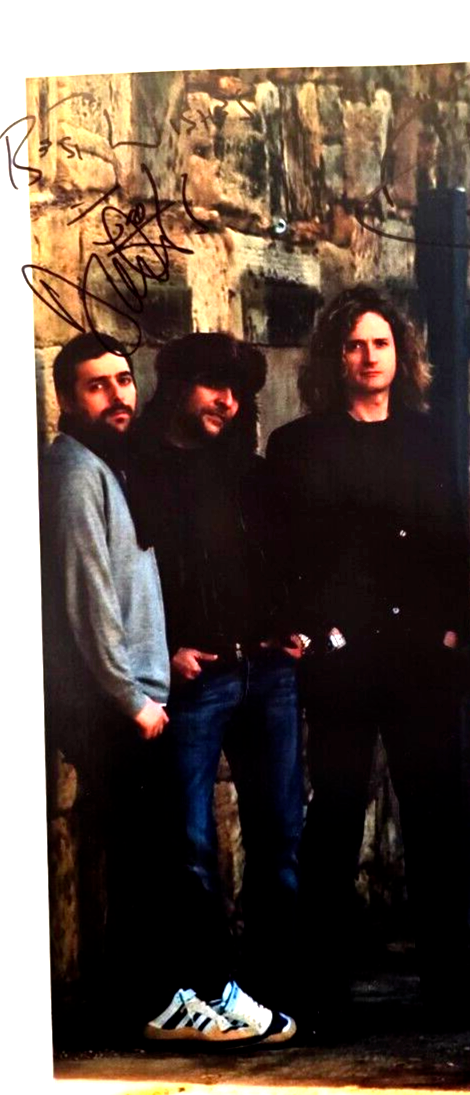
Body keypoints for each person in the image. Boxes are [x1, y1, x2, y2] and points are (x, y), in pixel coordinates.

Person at [266, 284, 470, 1036]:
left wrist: (452, 630)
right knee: (333, 816)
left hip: (420, 657)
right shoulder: (299, 445)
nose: (368, 357)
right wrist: (307, 630)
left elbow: (453, 542)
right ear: (335, 357)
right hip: (340, 659)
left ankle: (450, 984)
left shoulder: (431, 439)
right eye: (354, 345)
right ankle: (320, 987)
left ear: (401, 354)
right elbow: (282, 552)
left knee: (435, 819)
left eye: (381, 344)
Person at [129, 332, 302, 1043]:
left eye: (236, 391)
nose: (226, 401)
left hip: (268, 672)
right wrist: (163, 650)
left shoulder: (249, 470)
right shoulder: (139, 471)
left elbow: (287, 554)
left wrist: (293, 625)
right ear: (177, 387)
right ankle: (204, 988)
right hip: (198, 680)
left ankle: (270, 987)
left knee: (278, 835)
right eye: (211, 385)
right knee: (190, 842)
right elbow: (128, 578)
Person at [40, 331, 170, 1042]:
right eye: (97, 385)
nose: (118, 395)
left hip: (134, 699)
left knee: (140, 860)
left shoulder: (105, 464)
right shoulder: (74, 471)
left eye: (123, 380)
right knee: (132, 863)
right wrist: (132, 698)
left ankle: (146, 1005)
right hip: (114, 707)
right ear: (66, 398)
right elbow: (86, 596)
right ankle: (141, 1009)